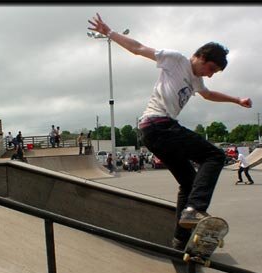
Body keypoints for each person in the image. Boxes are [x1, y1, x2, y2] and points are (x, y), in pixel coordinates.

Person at [88, 13, 253, 250]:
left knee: (188, 182)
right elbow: (138, 48)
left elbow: (208, 94)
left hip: (156, 134)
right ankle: (195, 209)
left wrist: (236, 99)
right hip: (158, 124)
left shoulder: (196, 80)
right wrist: (109, 33)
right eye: (211, 68)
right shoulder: (176, 60)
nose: (209, 74)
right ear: (201, 56)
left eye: (214, 73)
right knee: (214, 156)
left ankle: (179, 241)